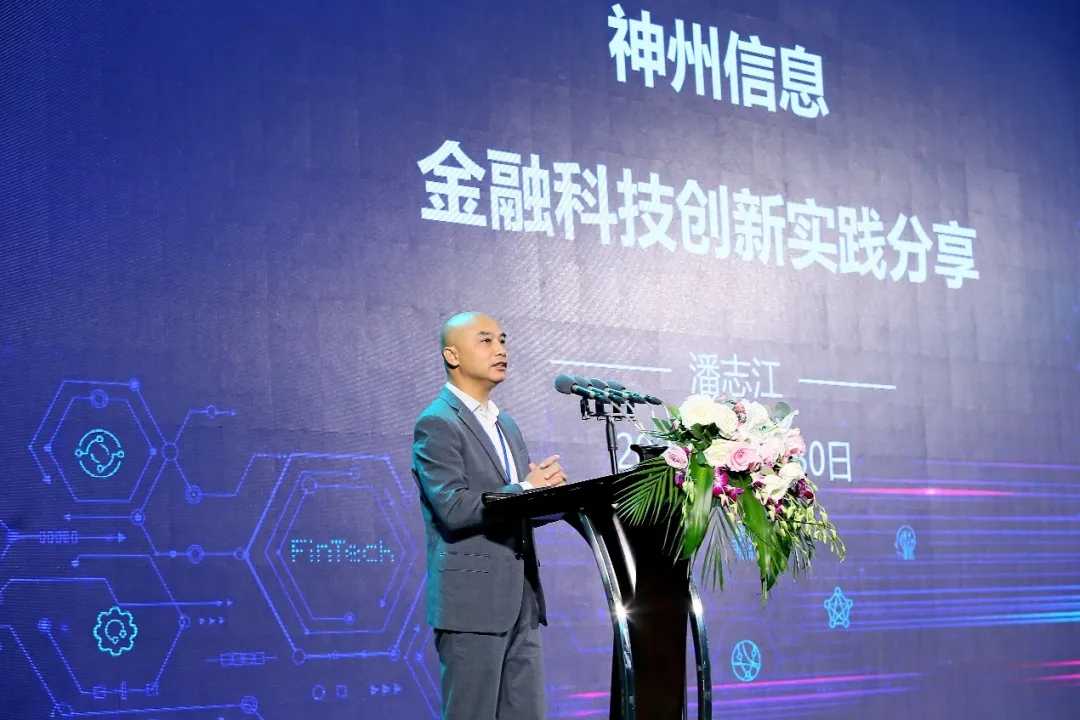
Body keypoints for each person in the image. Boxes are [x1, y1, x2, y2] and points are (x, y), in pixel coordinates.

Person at [411, 311, 567, 720]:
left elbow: (515, 507)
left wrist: (550, 497)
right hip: (472, 604)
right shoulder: (437, 422)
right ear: (452, 355)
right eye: (486, 340)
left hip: (521, 601)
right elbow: (454, 508)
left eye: (502, 340)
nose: (500, 349)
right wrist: (527, 491)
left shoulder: (506, 424)